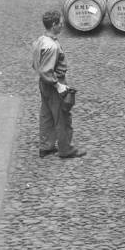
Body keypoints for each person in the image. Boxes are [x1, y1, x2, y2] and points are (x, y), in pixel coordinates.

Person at [32, 10, 86, 159]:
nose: (62, 25)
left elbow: (36, 65)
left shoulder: (41, 40)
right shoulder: (53, 47)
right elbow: (46, 71)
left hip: (43, 85)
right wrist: (58, 85)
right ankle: (65, 149)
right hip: (54, 84)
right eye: (60, 23)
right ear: (54, 25)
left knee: (47, 115)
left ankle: (46, 146)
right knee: (62, 117)